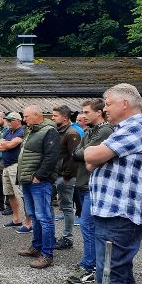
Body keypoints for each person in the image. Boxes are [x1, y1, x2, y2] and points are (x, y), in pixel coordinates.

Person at [85, 83, 142, 284]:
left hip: (119, 215)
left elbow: (93, 154)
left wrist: (94, 154)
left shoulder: (137, 126)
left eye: (108, 104)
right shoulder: (122, 130)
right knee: (117, 277)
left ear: (124, 103)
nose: (105, 109)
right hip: (113, 214)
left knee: (112, 279)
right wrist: (93, 155)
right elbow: (89, 162)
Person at [66, 99, 112, 284]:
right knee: (88, 226)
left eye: (87, 112)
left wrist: (87, 156)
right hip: (85, 183)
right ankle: (90, 263)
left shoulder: (105, 130)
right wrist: (86, 156)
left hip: (93, 185)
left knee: (88, 226)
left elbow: (87, 155)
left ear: (99, 112)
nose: (83, 116)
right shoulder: (90, 131)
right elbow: (77, 153)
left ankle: (90, 267)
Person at [17, 105, 60, 268]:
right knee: (34, 216)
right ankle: (36, 247)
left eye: (26, 116)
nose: (24, 119)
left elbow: (51, 157)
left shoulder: (49, 131)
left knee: (44, 218)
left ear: (36, 115)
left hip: (39, 181)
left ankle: (47, 254)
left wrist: (39, 176)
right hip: (28, 180)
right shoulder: (32, 130)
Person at [0, 112, 32, 233]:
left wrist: (5, 144)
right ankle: (16, 219)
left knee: (22, 195)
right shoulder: (8, 131)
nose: (9, 122)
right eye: (8, 120)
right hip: (6, 166)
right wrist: (5, 145)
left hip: (16, 166)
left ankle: (28, 223)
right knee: (9, 193)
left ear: (18, 120)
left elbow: (11, 145)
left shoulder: (21, 131)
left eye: (11, 120)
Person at [51, 105, 81, 250]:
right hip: (55, 175)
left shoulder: (72, 133)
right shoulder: (58, 131)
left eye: (55, 115)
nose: (52, 118)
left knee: (67, 207)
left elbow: (75, 157)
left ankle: (68, 238)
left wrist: (67, 177)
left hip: (64, 177)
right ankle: (51, 235)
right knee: (49, 205)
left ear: (65, 117)